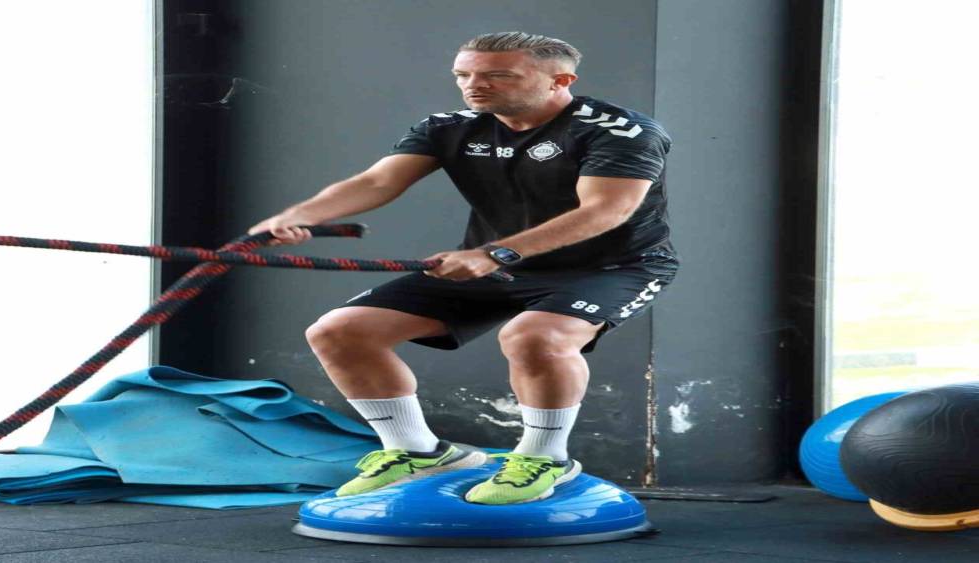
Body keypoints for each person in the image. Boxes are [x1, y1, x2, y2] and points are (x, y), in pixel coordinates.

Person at [248, 31, 679, 505]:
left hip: (611, 266)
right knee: (340, 332)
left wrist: (494, 253)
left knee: (534, 338)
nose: (475, 85)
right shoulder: (449, 127)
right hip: (496, 263)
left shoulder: (621, 131)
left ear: (560, 80)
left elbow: (604, 211)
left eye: (498, 75)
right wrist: (299, 216)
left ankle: (546, 458)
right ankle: (416, 451)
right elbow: (376, 182)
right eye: (464, 75)